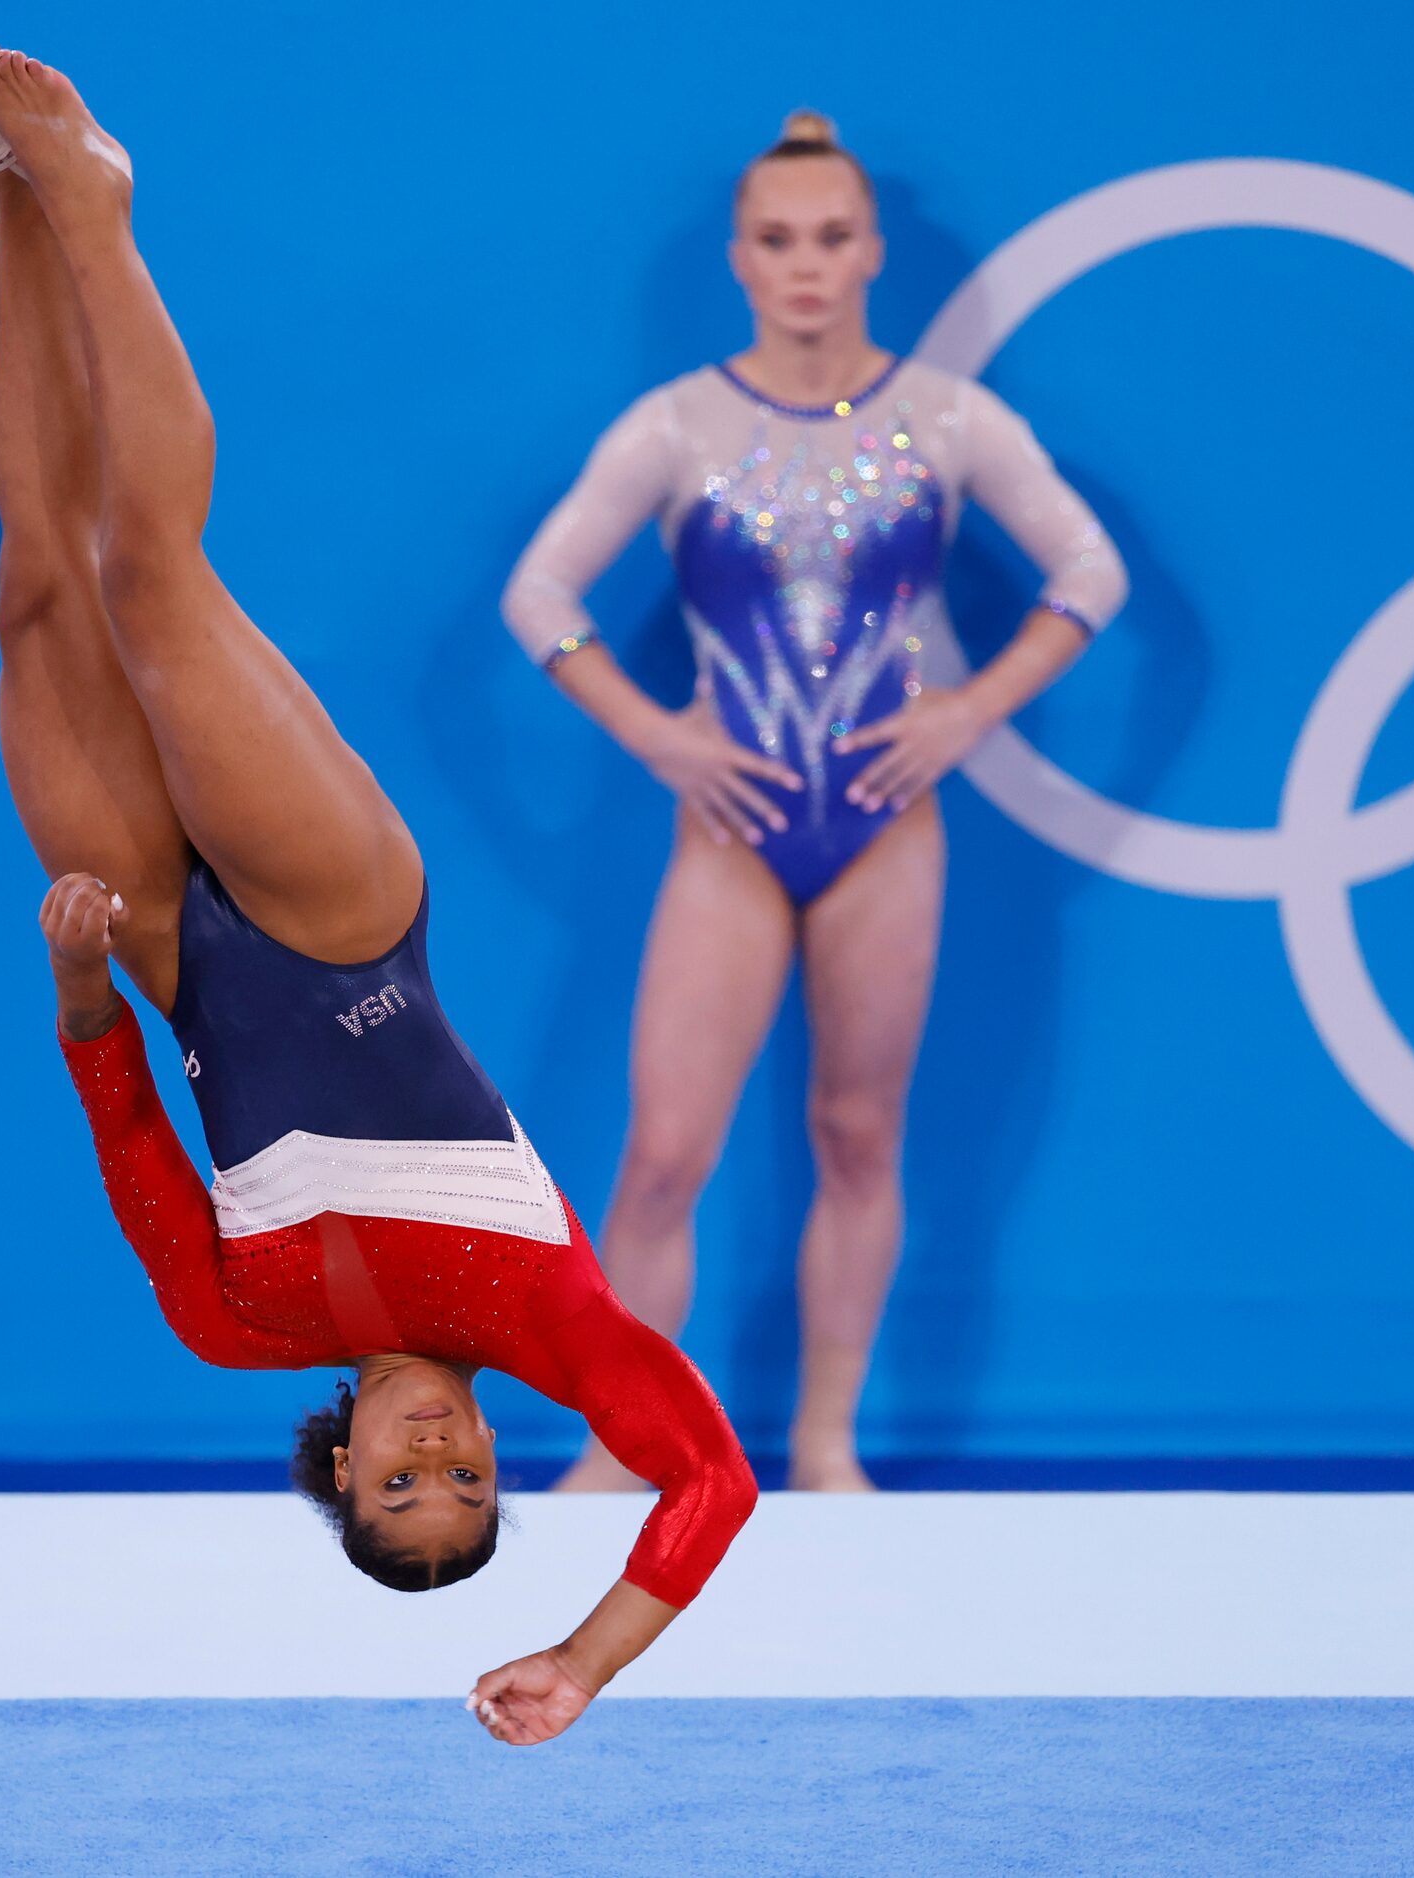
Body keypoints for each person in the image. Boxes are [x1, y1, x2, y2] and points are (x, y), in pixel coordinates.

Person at [0, 44, 756, 1745]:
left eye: (403, 1486)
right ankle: (97, 205)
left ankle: (10, 196)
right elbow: (712, 1484)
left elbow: (135, 1144)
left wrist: (86, 994)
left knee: (34, 596)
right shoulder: (551, 1319)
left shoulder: (238, 1326)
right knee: (151, 586)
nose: (439, 1455)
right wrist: (583, 1663)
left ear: (344, 1469)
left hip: (170, 956)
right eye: (470, 1480)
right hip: (342, 920)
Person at [502, 113, 1128, 1491]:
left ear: (873, 253)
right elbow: (537, 595)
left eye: (832, 239)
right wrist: (659, 736)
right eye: (778, 241)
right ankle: (625, 1446)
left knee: (857, 1131)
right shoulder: (677, 424)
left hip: (885, 826)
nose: (806, 265)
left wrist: (967, 710)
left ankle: (826, 1440)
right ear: (738, 259)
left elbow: (1090, 569)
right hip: (729, 829)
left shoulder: (951, 420)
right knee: (664, 1151)